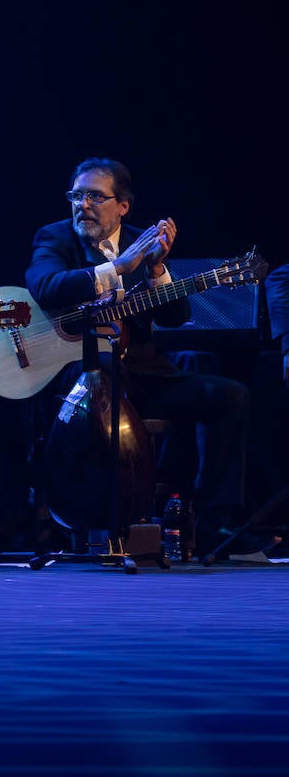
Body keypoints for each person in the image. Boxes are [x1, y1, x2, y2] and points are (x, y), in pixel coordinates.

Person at [25, 157, 261, 557]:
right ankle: (97, 517)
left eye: (95, 196)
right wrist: (118, 266)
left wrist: (155, 270)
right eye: (76, 196)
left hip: (145, 374)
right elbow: (44, 286)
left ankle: (215, 522)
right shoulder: (55, 238)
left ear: (123, 206)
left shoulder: (143, 243)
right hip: (81, 377)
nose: (83, 205)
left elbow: (176, 317)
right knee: (102, 372)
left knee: (230, 395)